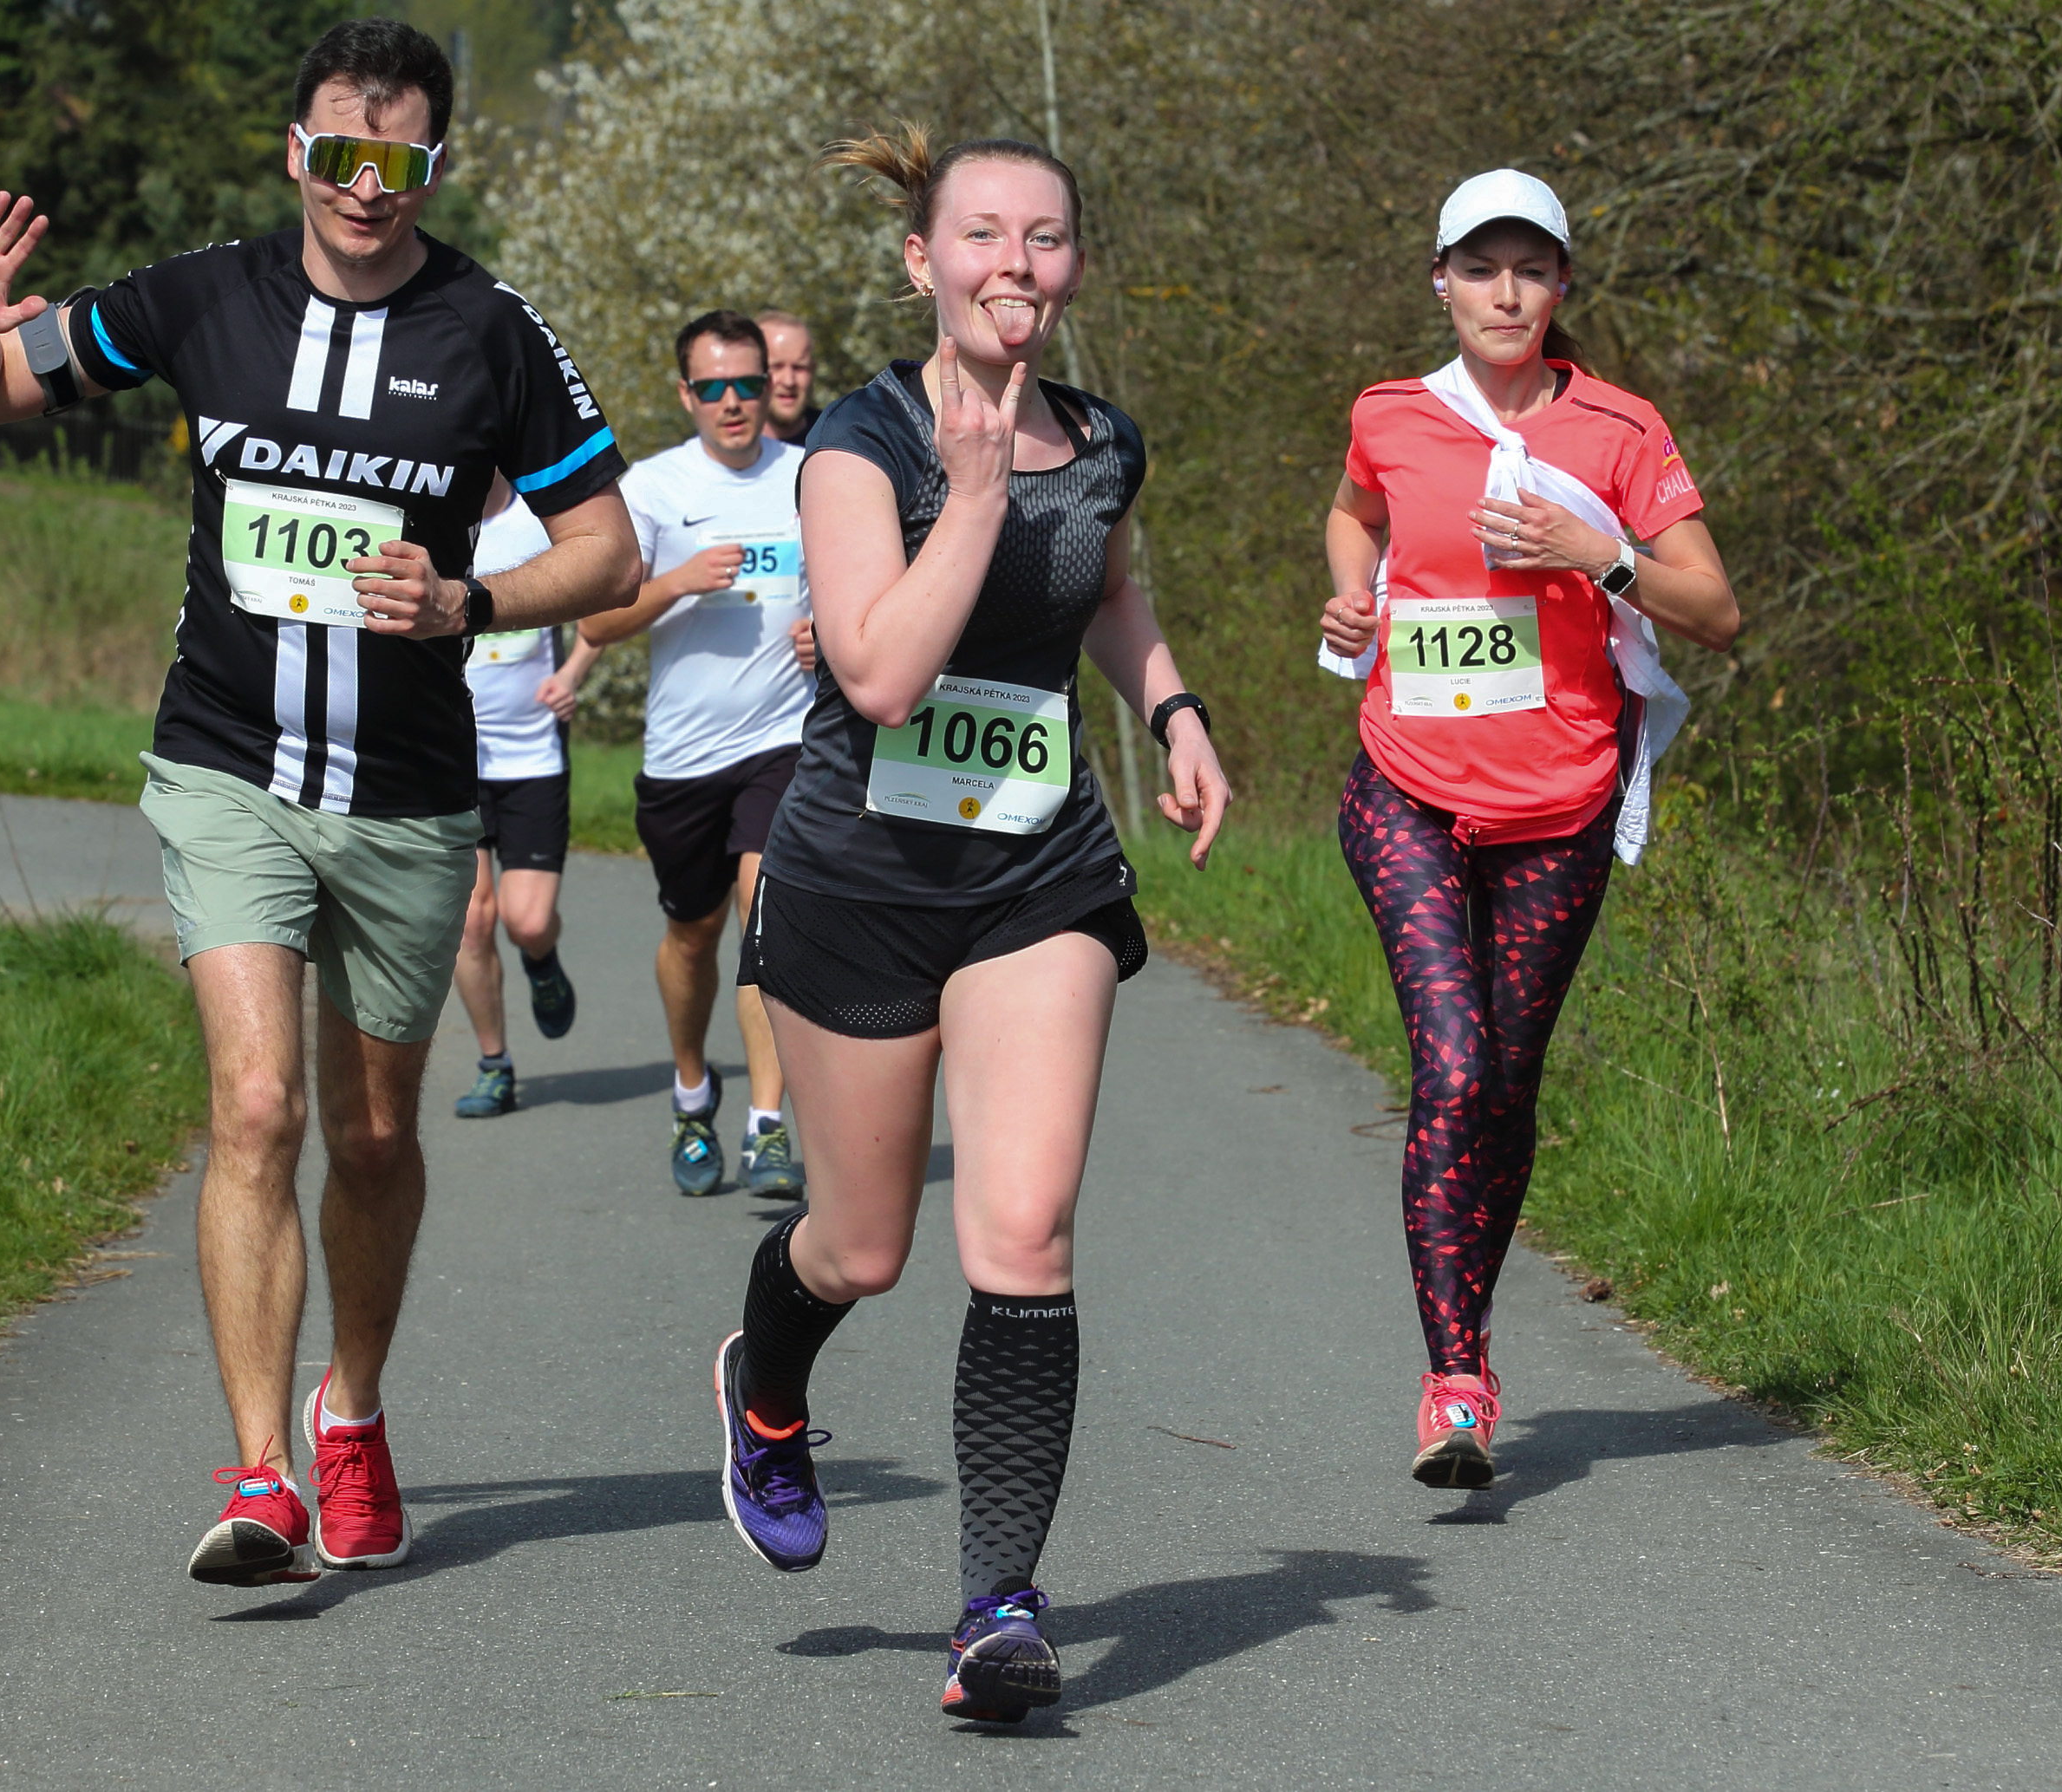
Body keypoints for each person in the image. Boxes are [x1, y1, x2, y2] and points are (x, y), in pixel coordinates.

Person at [0, 18, 638, 1587]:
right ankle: (260, 1474)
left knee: (371, 1136)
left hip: (407, 795)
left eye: (400, 159)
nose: (368, 186)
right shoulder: (204, 295)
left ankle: (350, 1409)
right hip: (226, 760)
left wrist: (470, 600)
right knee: (256, 1107)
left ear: (433, 165)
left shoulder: (492, 330)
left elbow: (609, 548)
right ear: (297, 151)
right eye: (341, 153)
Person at [708, 126, 1229, 1724]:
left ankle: (998, 1602)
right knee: (861, 1246)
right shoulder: (859, 445)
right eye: (984, 233)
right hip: (860, 883)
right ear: (922, 259)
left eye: (1045, 236)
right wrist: (980, 495)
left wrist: (1175, 709)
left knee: (1023, 1232)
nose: (1016, 262)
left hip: (1038, 876)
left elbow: (1111, 592)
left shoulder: (1108, 439)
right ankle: (766, 1383)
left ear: (1073, 266)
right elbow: (876, 672)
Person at [1315, 168, 1739, 1490]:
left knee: (1504, 1084)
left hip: (1560, 804)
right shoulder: (1390, 412)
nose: (1506, 293)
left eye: (1532, 268)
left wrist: (1591, 551)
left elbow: (1716, 611)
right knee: (1451, 1064)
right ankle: (1456, 1379)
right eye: (1480, 267)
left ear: (1562, 285)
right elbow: (1354, 513)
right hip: (1407, 784)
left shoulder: (1620, 427)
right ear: (1439, 280)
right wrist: (1352, 593)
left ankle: (1471, 1341)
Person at [577, 310, 815, 1196]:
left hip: (782, 741)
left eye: (748, 383)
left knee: (766, 912)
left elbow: (856, 589)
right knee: (692, 935)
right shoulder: (650, 488)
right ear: (686, 395)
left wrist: (830, 635)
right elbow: (596, 621)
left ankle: (766, 1125)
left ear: (770, 385)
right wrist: (677, 580)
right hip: (683, 757)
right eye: (713, 387)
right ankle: (690, 1092)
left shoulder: (811, 475)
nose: (733, 401)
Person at [451, 478, 603, 1118]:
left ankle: (542, 962)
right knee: (471, 920)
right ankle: (495, 1065)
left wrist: (572, 674)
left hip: (532, 756)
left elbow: (606, 598)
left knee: (528, 921)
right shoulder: (433, 518)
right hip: (452, 757)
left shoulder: (541, 522)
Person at [757, 309, 819, 442]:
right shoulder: (722, 448)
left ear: (812, 370)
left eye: (799, 367)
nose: (789, 381)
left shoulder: (838, 441)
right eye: (776, 367)